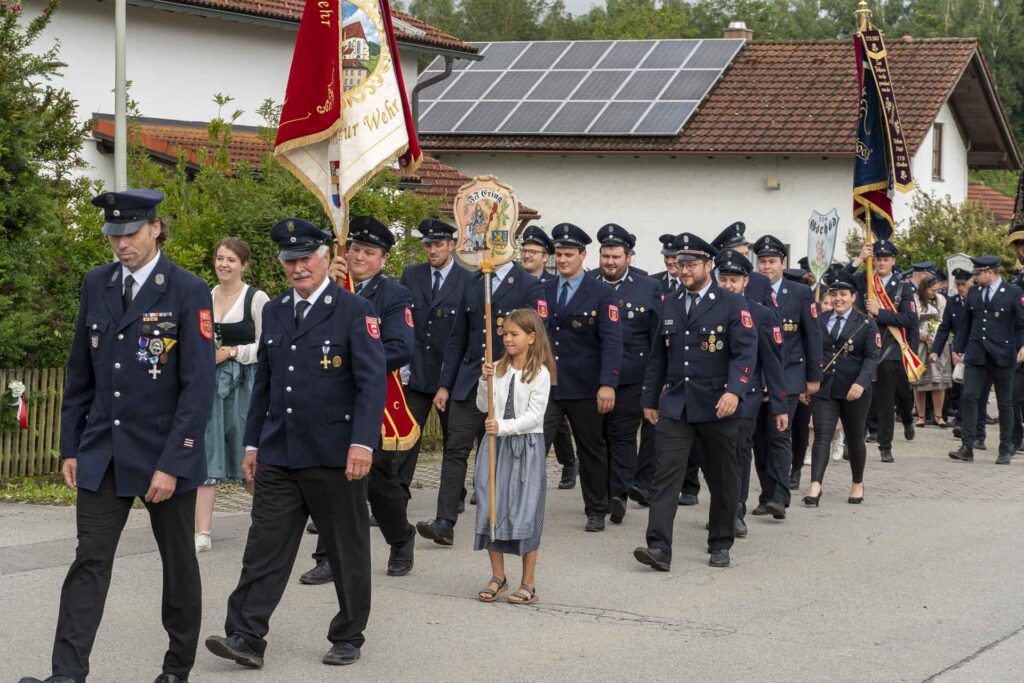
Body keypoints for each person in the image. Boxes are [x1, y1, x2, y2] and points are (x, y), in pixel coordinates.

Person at [20, 190, 216, 683]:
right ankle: (67, 674)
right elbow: (80, 372)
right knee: (89, 560)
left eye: (129, 234)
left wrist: (174, 462)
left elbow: (198, 386)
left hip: (163, 456)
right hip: (104, 452)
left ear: (155, 228)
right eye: (113, 235)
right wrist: (71, 446)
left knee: (177, 564)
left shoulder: (188, 290)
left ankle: (177, 668)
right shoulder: (97, 283)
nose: (120, 244)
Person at [205, 218, 385, 670]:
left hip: (335, 453)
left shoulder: (352, 310)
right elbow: (265, 382)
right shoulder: (279, 310)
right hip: (280, 451)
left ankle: (348, 633)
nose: (298, 267)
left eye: (305, 258)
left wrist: (362, 443)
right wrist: (251, 446)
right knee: (264, 546)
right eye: (290, 260)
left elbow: (370, 384)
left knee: (345, 549)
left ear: (325, 258)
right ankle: (245, 634)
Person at [302, 216, 417, 583]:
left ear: (383, 259)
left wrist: (354, 357)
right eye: (354, 249)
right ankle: (327, 557)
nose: (358, 257)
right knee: (329, 477)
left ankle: (401, 538)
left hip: (371, 399)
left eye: (368, 252)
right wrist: (323, 286)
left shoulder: (392, 294)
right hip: (327, 397)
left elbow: (401, 347)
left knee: (379, 483)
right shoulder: (325, 285)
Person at [634, 233, 757, 571]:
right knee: (665, 475)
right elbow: (659, 354)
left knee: (721, 477)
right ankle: (658, 547)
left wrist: (735, 391)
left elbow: (745, 352)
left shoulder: (732, 302)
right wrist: (650, 397)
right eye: (679, 264)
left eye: (690, 265)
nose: (683, 271)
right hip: (677, 404)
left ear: (708, 265)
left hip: (718, 405)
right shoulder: (671, 301)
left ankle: (720, 541)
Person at [416, 241, 545, 546]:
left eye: (495, 246)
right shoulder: (474, 282)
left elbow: (537, 334)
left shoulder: (527, 284)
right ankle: (445, 521)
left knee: (506, 453)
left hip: (510, 382)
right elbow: (458, 336)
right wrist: (445, 384)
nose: (487, 252)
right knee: (456, 448)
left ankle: (506, 519)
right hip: (471, 381)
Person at [540, 223, 623, 532]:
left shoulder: (602, 292)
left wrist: (607, 384)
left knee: (591, 449)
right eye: (558, 254)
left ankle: (597, 508)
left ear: (582, 256)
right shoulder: (544, 289)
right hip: (547, 384)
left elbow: (612, 342)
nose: (561, 260)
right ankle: (527, 507)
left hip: (586, 386)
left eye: (568, 254)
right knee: (535, 447)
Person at [473, 309, 555, 606]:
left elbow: (535, 417)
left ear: (531, 338)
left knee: (525, 508)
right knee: (491, 505)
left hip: (525, 445)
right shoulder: (498, 368)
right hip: (495, 445)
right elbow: (484, 406)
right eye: (504, 334)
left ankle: (528, 582)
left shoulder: (540, 373)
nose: (507, 339)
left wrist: (504, 427)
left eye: (514, 334)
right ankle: (498, 575)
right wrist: (484, 381)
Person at [194, 237, 270, 553]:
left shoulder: (257, 298)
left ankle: (268, 518)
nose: (224, 264)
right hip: (210, 385)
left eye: (231, 260)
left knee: (246, 453)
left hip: (246, 383)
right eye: (220, 258)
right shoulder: (204, 296)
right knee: (207, 452)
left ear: (244, 265)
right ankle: (202, 532)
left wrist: (233, 351)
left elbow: (268, 346)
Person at [714, 248, 788, 537]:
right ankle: (723, 507)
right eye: (724, 279)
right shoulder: (706, 309)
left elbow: (774, 364)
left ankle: (735, 509)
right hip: (710, 392)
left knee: (738, 453)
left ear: (746, 281)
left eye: (734, 280)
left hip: (748, 394)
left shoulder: (761, 315)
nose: (728, 285)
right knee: (715, 455)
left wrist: (780, 406)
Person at [590, 223, 661, 523]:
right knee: (596, 438)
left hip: (632, 377)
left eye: (616, 256)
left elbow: (657, 337)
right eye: (605, 255)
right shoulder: (588, 283)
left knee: (621, 437)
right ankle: (598, 495)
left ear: (629, 257)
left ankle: (617, 494)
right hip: (592, 379)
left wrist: (656, 382)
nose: (610, 262)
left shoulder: (649, 288)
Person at [397, 218, 469, 500]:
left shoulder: (467, 280)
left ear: (451, 245)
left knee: (454, 441)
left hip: (450, 377)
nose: (433, 250)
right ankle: (398, 495)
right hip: (417, 374)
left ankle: (455, 494)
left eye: (438, 244)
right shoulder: (411, 275)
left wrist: (451, 382)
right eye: (428, 245)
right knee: (407, 438)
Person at [751, 234, 822, 519]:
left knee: (779, 435)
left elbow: (812, 336)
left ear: (783, 263)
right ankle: (766, 493)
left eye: (772, 261)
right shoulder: (750, 291)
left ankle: (780, 497)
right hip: (757, 378)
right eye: (762, 262)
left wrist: (813, 377)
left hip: (790, 375)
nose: (767, 267)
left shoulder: (800, 293)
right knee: (759, 440)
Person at [804, 279, 880, 507]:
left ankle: (858, 483)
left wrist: (861, 382)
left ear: (853, 296)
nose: (838, 299)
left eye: (843, 294)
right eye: (834, 294)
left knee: (855, 438)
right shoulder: (820, 320)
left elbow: (872, 356)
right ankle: (815, 485)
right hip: (825, 387)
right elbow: (811, 352)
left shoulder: (866, 323)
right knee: (822, 436)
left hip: (854, 389)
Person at [947, 256, 1024, 465]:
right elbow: (966, 322)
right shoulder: (974, 292)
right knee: (970, 397)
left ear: (991, 272)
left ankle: (1005, 448)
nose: (975, 278)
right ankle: (967, 446)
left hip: (1003, 354)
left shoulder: (1013, 293)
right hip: (977, 353)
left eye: (979, 274)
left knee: (1004, 403)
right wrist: (958, 349)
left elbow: (1022, 323)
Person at [846, 240, 918, 462]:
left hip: (891, 347)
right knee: (864, 396)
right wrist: (858, 259)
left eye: (886, 259)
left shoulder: (902, 287)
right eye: (877, 258)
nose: (881, 262)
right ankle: (859, 439)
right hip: (866, 345)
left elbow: (909, 319)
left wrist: (881, 312)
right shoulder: (864, 280)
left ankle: (886, 444)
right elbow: (836, 279)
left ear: (893, 261)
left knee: (891, 398)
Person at [519, 225, 577, 485]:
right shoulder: (517, 282)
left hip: (550, 359)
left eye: (534, 251)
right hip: (522, 357)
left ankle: (567, 462)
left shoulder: (550, 285)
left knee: (554, 415)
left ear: (546, 257)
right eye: (525, 250)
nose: (527, 255)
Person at [912, 274, 952, 428]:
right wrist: (919, 334)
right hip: (920, 343)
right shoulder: (914, 300)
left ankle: (938, 416)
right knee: (919, 382)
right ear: (924, 288)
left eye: (937, 290)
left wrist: (935, 336)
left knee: (938, 380)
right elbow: (910, 321)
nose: (934, 293)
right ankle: (921, 416)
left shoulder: (941, 300)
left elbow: (944, 320)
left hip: (938, 342)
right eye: (931, 290)